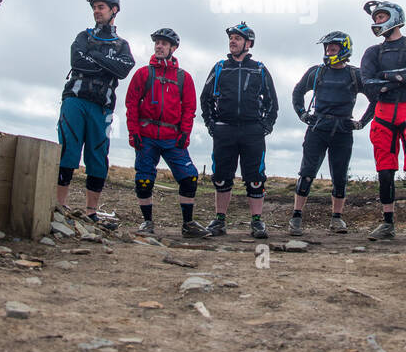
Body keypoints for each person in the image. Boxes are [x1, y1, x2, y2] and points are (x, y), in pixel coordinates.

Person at [358, 0, 406, 243]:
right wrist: (397, 79)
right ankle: (387, 223)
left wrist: (383, 79)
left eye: (382, 16)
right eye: (376, 17)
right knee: (384, 169)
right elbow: (367, 84)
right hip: (383, 116)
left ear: (394, 17)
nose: (377, 21)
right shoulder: (372, 52)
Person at [56, 0, 135, 224]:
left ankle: (91, 211)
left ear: (114, 10)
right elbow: (77, 61)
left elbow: (123, 69)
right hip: (75, 99)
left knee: (98, 155)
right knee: (68, 149)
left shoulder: (122, 44)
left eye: (101, 7)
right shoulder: (84, 36)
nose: (96, 11)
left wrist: (95, 57)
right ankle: (59, 206)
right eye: (95, 7)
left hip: (102, 106)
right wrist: (106, 65)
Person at [124, 28, 211, 238]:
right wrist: (133, 132)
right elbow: (131, 104)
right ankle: (147, 223)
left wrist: (185, 134)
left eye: (164, 43)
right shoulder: (143, 73)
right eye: (157, 43)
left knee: (189, 178)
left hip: (173, 138)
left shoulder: (184, 78)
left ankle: (188, 224)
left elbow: (190, 108)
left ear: (173, 48)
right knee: (144, 180)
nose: (159, 46)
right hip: (146, 136)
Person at [288, 31, 375, 236]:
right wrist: (302, 114)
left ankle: (337, 219)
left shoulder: (355, 74)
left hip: (343, 131)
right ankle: (296, 217)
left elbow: (374, 99)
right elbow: (298, 92)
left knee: (339, 176)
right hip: (317, 128)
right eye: (327, 48)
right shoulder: (316, 72)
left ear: (344, 49)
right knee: (307, 173)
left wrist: (362, 122)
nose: (328, 51)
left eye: (333, 48)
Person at [200, 22, 278, 239]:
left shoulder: (259, 69)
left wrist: (266, 125)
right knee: (222, 177)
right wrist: (211, 124)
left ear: (248, 43)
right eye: (231, 38)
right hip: (224, 129)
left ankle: (256, 222)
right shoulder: (220, 67)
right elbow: (205, 98)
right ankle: (220, 220)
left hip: (253, 130)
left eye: (237, 38)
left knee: (255, 178)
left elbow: (272, 101)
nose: (232, 41)